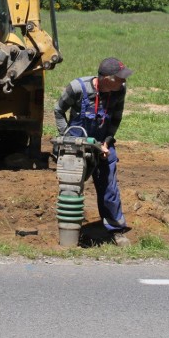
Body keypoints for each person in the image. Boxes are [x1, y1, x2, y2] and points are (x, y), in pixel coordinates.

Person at [54, 57, 133, 246]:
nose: (124, 81)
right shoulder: (77, 88)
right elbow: (58, 110)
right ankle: (69, 229)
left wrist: (107, 142)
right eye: (120, 78)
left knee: (109, 187)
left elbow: (116, 119)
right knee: (71, 186)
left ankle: (116, 229)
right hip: (76, 143)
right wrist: (67, 138)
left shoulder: (119, 91)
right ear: (107, 78)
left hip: (101, 144)